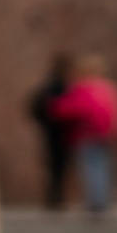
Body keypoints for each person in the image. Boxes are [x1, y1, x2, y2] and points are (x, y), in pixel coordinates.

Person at [46, 55, 117, 215]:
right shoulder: (108, 88)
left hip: (87, 133)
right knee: (104, 167)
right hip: (107, 133)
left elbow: (68, 108)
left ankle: (96, 201)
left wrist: (51, 106)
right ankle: (102, 199)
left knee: (91, 168)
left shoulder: (84, 89)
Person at [28, 54, 74, 211]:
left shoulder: (47, 87)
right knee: (60, 166)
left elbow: (34, 108)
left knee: (54, 166)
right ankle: (57, 197)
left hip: (52, 131)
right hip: (63, 131)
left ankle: (55, 197)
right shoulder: (64, 88)